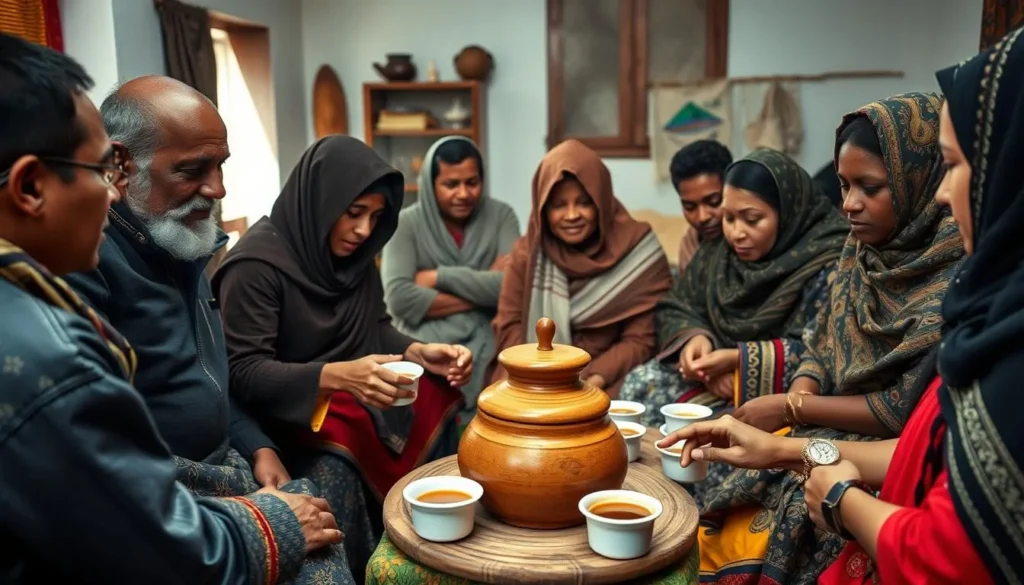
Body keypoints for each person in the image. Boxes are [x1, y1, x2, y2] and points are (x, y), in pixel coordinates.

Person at [661, 31, 1024, 583]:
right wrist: (792, 410)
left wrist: (795, 423)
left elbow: (946, 525)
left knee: (775, 514)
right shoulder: (865, 255)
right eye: (842, 184)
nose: (849, 204)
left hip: (868, 469)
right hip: (848, 442)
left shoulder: (965, 286)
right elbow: (823, 340)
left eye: (870, 187)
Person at [0, 32, 340, 584]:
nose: (110, 194)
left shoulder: (183, 242)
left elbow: (209, 380)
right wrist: (274, 523)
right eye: (98, 171)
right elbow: (152, 540)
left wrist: (253, 444)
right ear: (30, 188)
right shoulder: (48, 350)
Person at [213, 136, 472, 571]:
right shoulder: (255, 268)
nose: (364, 231)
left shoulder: (354, 257)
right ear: (321, 202)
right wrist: (337, 377)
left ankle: (436, 540)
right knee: (341, 460)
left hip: (346, 394)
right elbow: (243, 373)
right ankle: (371, 563)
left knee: (437, 392)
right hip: (286, 413)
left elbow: (374, 327)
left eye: (375, 217)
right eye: (353, 214)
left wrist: (417, 350)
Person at [619, 148, 848, 433]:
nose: (736, 233)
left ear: (788, 212)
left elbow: (824, 350)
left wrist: (739, 361)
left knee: (716, 451)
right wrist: (697, 341)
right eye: (728, 218)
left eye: (752, 220)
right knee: (638, 388)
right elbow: (677, 305)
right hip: (713, 380)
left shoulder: (830, 262)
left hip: (784, 396)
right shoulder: (719, 252)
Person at [490, 139, 672, 396]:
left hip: (606, 375)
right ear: (542, 208)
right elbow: (509, 326)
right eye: (558, 205)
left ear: (602, 202)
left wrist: (589, 379)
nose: (572, 215)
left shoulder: (638, 251)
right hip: (531, 370)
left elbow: (639, 340)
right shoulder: (528, 253)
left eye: (584, 202)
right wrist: (537, 375)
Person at [381, 136, 520, 420]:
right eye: (450, 184)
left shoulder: (502, 216)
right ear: (431, 186)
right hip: (423, 345)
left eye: (472, 182)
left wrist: (439, 276)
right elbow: (398, 299)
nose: (463, 194)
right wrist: (484, 286)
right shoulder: (405, 224)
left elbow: (511, 289)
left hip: (488, 343)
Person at [668, 139, 732, 270]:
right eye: (689, 207)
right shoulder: (691, 246)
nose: (702, 217)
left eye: (714, 202)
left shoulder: (755, 242)